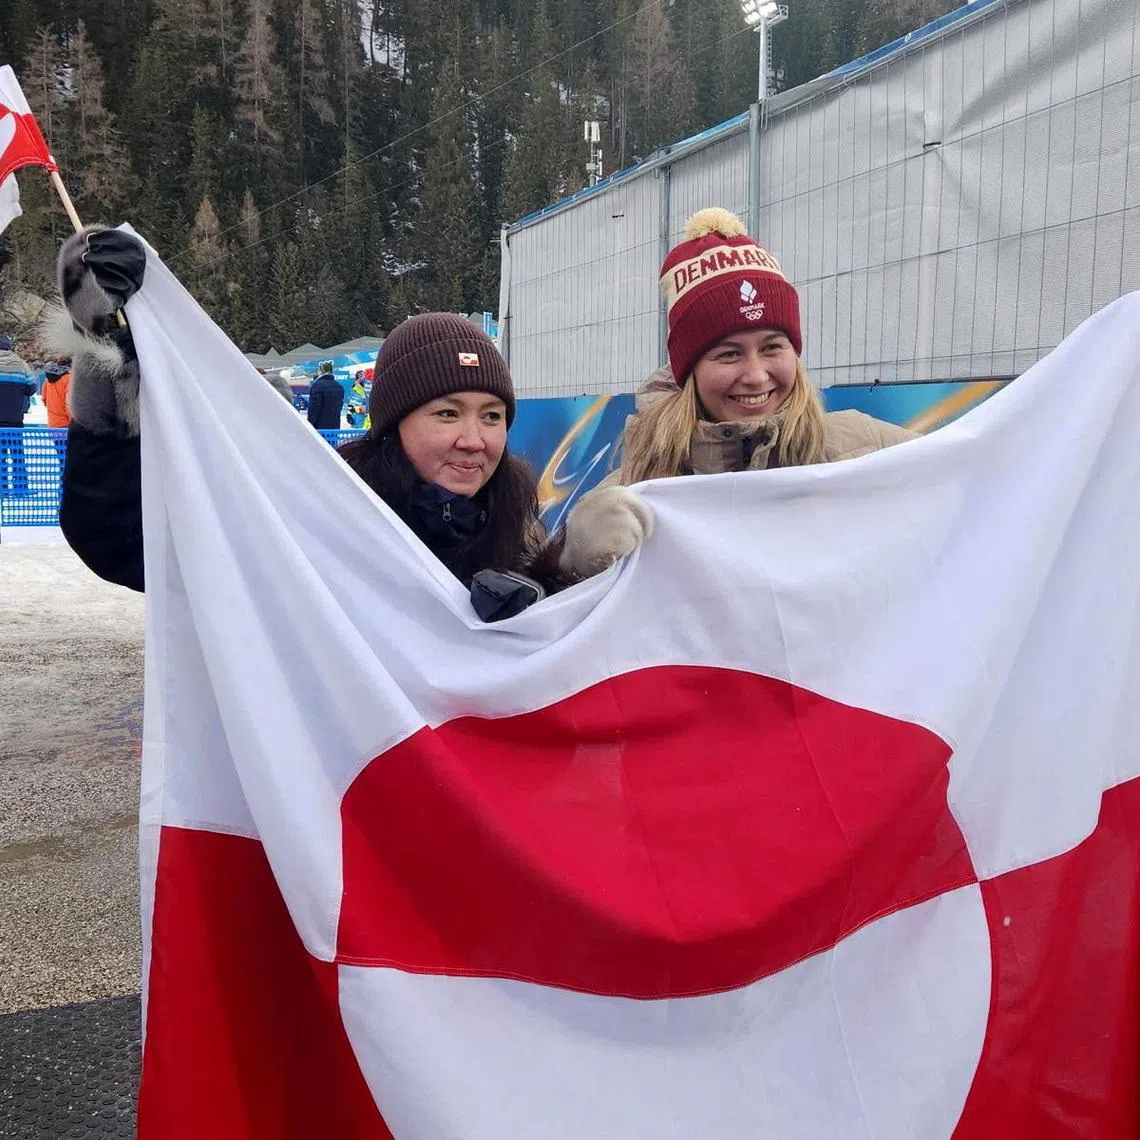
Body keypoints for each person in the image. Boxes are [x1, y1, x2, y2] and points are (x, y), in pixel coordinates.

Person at [46, 226, 562, 615]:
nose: (474, 440)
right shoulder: (319, 513)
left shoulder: (516, 524)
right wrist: (108, 358)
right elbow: (125, 545)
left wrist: (541, 602)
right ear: (393, 423)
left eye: (492, 416)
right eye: (447, 413)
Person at [557, 208, 919, 579]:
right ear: (690, 373)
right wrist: (579, 553)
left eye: (772, 347)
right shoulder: (639, 489)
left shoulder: (867, 445)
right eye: (729, 354)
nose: (756, 376)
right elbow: (554, 593)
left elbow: (955, 487)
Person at [0, 334, 37, 495]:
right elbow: (32, 388)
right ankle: (20, 487)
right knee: (17, 453)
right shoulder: (21, 364)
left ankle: (2, 488)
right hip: (15, 418)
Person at [307, 361, 344, 431]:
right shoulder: (339, 386)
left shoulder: (317, 385)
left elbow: (314, 407)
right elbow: (340, 406)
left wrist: (309, 424)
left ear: (320, 371)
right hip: (334, 427)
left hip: (319, 427)